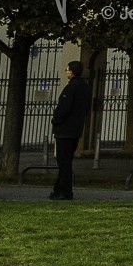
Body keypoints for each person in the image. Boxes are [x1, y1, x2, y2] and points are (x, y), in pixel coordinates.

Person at [50, 61, 92, 200]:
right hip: (76, 129)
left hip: (65, 129)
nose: (66, 71)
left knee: (63, 162)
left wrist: (56, 120)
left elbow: (63, 108)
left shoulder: (71, 87)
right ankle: (58, 189)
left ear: (72, 71)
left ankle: (65, 191)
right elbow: (87, 108)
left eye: (67, 69)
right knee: (67, 160)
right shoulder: (85, 87)